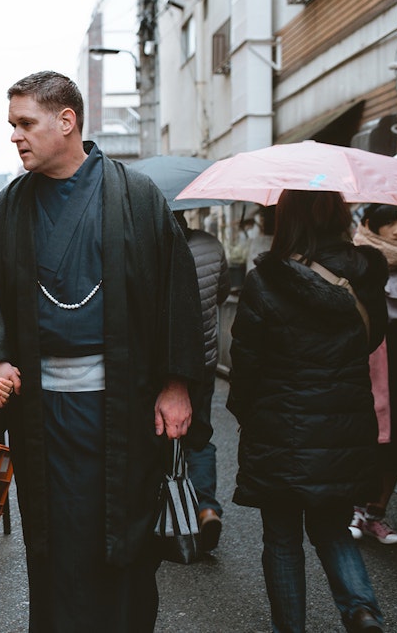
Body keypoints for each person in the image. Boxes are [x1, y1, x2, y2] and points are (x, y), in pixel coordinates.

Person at [0, 70, 204, 631]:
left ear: (67, 121)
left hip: (125, 407)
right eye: (11, 125)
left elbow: (177, 295)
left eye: (26, 123)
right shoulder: (8, 208)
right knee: (55, 541)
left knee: (124, 535)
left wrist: (176, 384)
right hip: (45, 413)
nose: (15, 137)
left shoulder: (136, 197)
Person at [227, 189, 388, 633]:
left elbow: (247, 360)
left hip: (279, 425)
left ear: (288, 218)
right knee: (333, 526)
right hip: (344, 422)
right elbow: (370, 339)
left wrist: (246, 413)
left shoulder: (267, 280)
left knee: (281, 538)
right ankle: (361, 609)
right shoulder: (363, 274)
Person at [176, 210, 231, 551]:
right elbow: (222, 292)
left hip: (159, 366)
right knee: (199, 435)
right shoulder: (211, 244)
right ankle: (206, 507)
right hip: (204, 360)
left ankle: (165, 515)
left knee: (157, 438)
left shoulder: (148, 246)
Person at [349, 204, 397, 545]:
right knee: (366, 432)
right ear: (369, 224)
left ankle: (376, 513)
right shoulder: (357, 261)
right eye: (389, 223)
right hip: (369, 358)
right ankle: (354, 508)